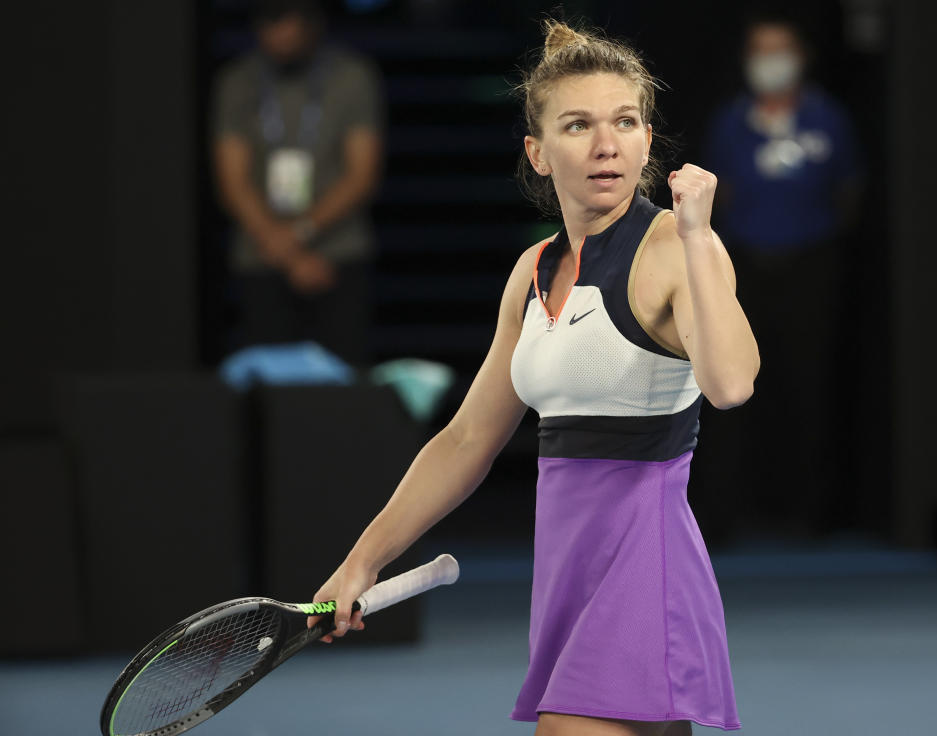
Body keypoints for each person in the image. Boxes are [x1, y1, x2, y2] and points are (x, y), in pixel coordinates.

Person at [307, 20, 758, 736]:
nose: (606, 144)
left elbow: (731, 384)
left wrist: (701, 236)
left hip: (646, 563)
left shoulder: (676, 247)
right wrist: (360, 563)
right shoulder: (533, 270)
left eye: (625, 122)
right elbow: (465, 442)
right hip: (568, 572)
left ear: (648, 140)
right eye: (577, 125)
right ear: (538, 153)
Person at [699, 13, 860, 537]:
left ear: (801, 56)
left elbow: (849, 190)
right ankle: (729, 515)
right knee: (733, 390)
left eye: (781, 49)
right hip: (743, 269)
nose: (772, 62)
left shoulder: (827, 118)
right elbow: (718, 193)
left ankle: (813, 516)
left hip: (811, 266)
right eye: (760, 50)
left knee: (808, 387)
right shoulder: (730, 122)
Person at [212, 0, 384, 362]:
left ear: (312, 21)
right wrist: (289, 252)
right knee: (268, 388)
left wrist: (297, 235)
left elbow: (362, 173)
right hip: (261, 255)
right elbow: (232, 179)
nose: (283, 31)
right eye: (271, 18)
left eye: (289, 18)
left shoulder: (351, 76)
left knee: (340, 384)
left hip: (337, 252)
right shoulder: (238, 81)